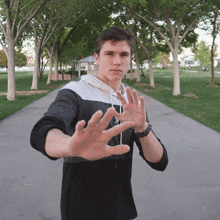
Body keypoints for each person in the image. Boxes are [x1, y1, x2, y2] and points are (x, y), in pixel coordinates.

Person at [30, 26, 168, 220]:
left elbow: (159, 162)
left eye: (124, 54)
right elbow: (42, 131)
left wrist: (142, 128)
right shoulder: (75, 91)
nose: (117, 61)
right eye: (109, 53)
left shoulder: (129, 101)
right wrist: (70, 145)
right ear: (96, 57)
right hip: (79, 210)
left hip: (122, 210)